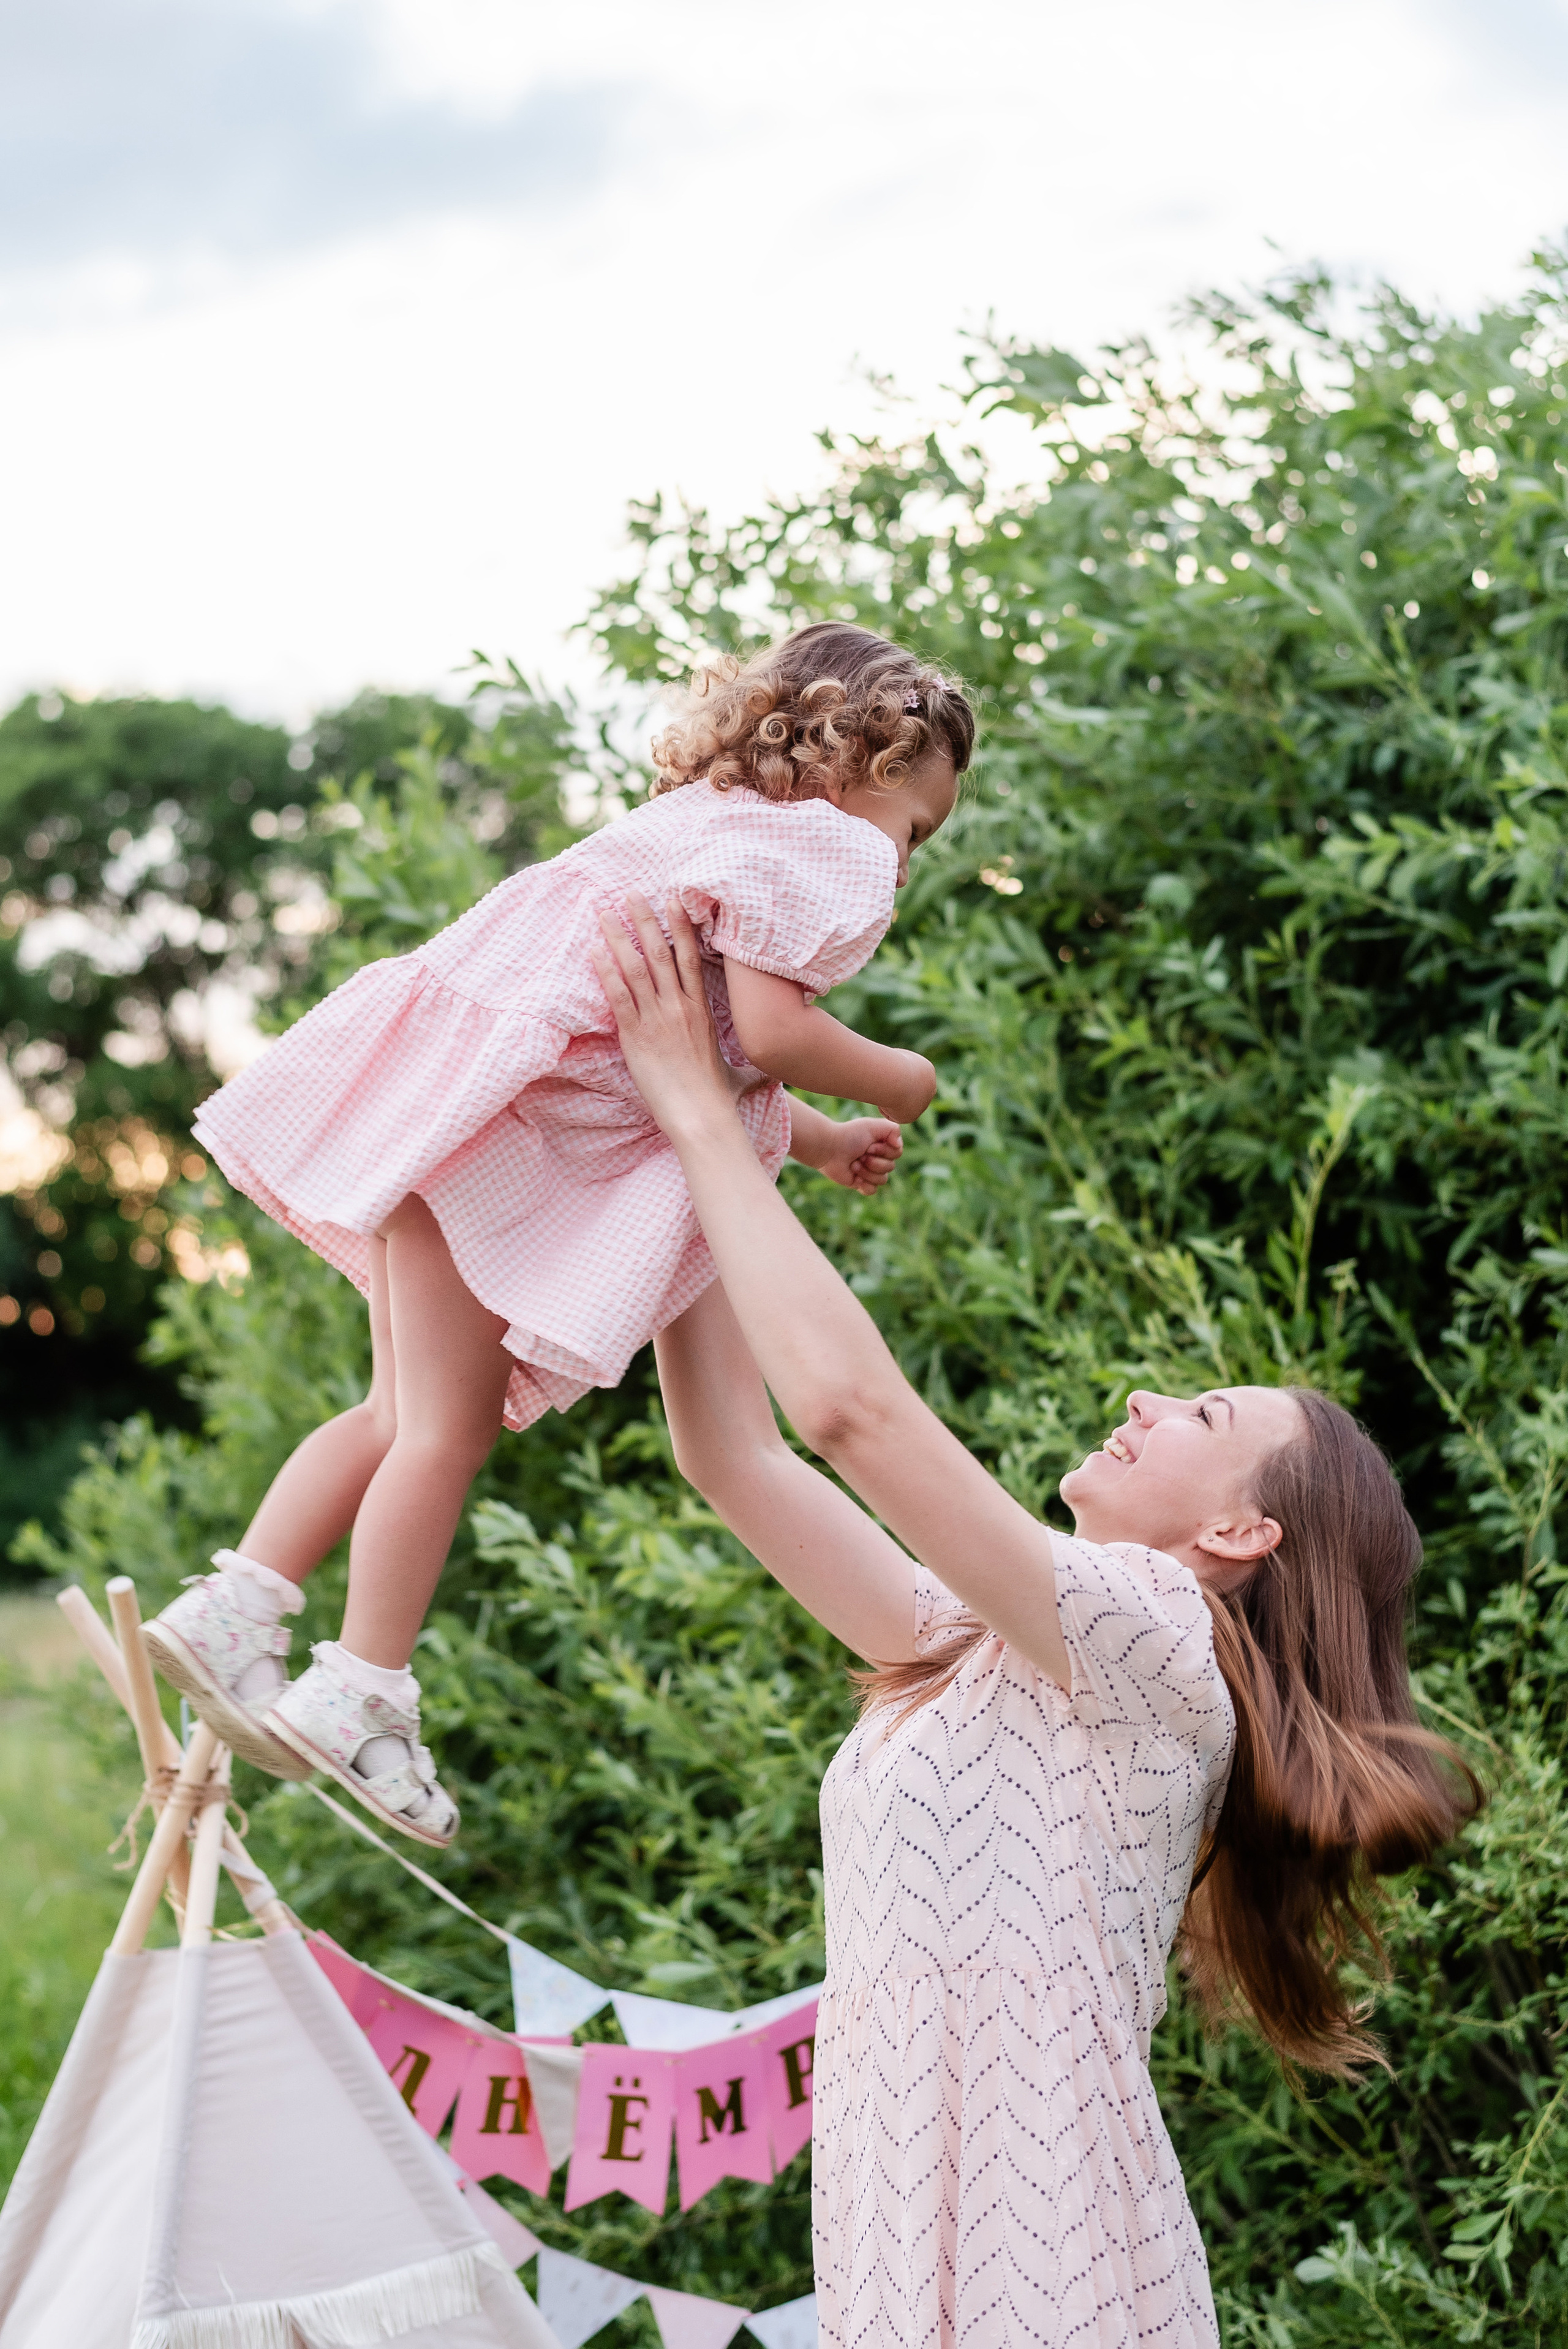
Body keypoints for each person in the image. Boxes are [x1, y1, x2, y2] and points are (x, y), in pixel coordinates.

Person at [590, 893, 1479, 2349]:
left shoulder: (1162, 1638)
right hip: (902, 2239)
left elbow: (846, 1413)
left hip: (1042, 2270)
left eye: (1199, 1413)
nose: (1141, 1403)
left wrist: (699, 1110)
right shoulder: (976, 1650)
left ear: (1237, 1536)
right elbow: (733, 1456)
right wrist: (714, 1118)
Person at [146, 624, 975, 1847]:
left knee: (393, 1411)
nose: (905, 860)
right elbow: (772, 1032)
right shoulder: (827, 851)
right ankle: (359, 1684)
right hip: (507, 1137)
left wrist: (819, 1142)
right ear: (870, 760)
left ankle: (242, 1602)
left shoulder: (709, 817)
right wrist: (896, 1080)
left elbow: (700, 1055)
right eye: (918, 826)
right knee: (443, 1426)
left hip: (465, 1104)